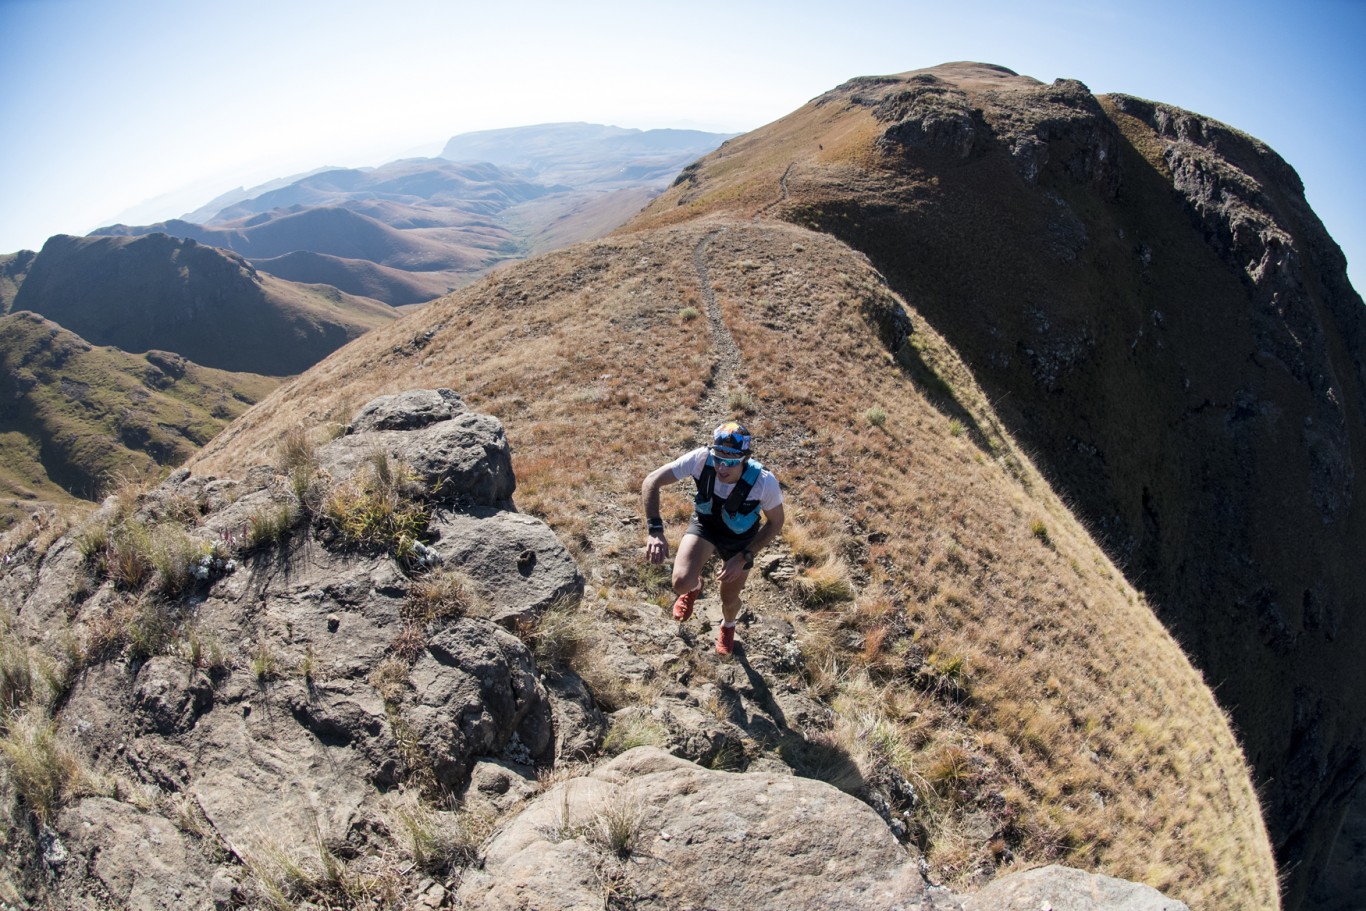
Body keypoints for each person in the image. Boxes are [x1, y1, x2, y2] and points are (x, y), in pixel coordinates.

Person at [641, 421, 785, 655]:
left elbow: (776, 522)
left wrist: (743, 556)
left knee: (729, 599)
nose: (722, 467)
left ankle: (728, 625)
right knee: (681, 583)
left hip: (740, 541)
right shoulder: (701, 459)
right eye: (718, 457)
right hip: (706, 525)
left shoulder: (764, 482)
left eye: (730, 461)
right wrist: (655, 530)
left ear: (745, 458)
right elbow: (652, 481)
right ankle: (695, 586)